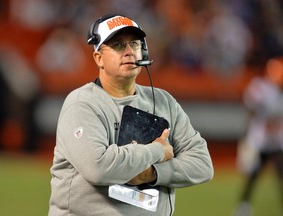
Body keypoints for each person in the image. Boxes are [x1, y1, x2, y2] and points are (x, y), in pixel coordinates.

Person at [48, 14, 214, 216]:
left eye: (134, 44)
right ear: (98, 58)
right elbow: (99, 167)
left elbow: (202, 164)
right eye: (118, 45)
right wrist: (157, 151)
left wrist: (152, 174)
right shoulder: (81, 104)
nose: (128, 52)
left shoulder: (163, 101)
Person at [234, 57, 283, 216]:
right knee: (253, 175)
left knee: (281, 174)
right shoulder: (261, 87)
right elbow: (251, 107)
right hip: (261, 140)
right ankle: (243, 205)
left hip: (277, 141)